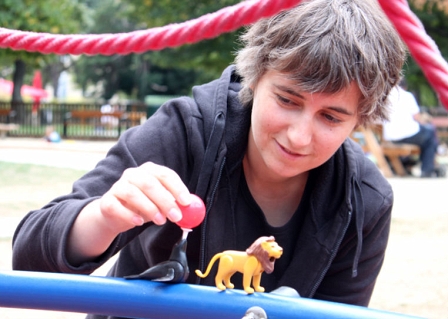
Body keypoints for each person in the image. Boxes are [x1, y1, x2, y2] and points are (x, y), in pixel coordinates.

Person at [12, 0, 406, 317]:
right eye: (287, 100)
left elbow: (338, 312)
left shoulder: (364, 200)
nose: (299, 136)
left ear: (361, 119)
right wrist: (104, 217)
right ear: (255, 77)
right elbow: (29, 258)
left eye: (331, 117)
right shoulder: (183, 132)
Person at [382, 80, 443, 177]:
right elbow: (417, 117)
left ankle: (412, 164)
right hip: (407, 135)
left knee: (427, 133)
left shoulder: (384, 97)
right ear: (404, 87)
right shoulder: (407, 96)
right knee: (430, 134)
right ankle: (427, 169)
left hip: (389, 137)